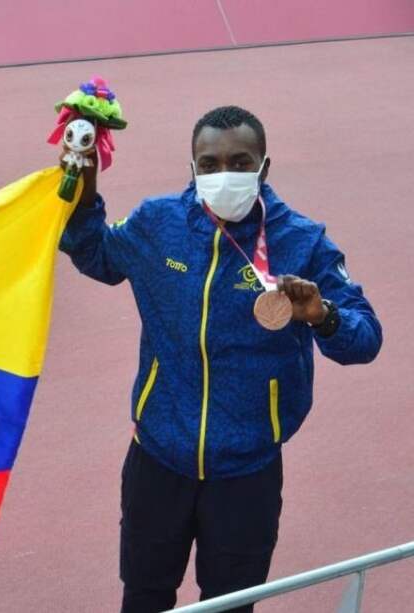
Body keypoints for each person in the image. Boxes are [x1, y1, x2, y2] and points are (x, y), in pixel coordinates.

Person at [59, 106, 382, 612]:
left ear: (263, 167)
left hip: (247, 472)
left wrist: (323, 315)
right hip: (158, 459)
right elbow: (93, 252)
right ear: (192, 169)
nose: (222, 174)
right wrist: (81, 177)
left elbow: (366, 339)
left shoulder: (301, 240)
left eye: (239, 161)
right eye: (209, 164)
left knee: (230, 607)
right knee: (144, 597)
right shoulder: (156, 225)